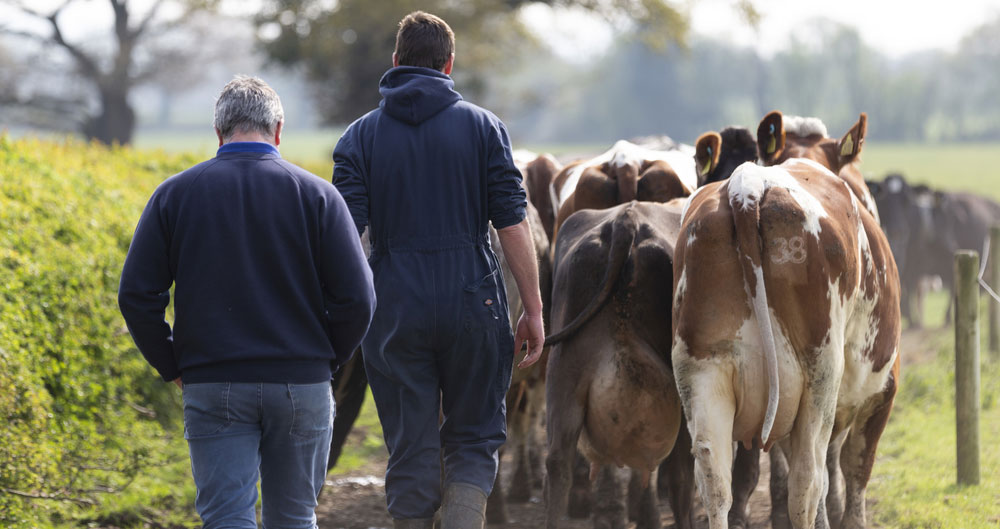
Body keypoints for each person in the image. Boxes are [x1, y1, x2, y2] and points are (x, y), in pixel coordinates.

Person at [118, 76, 376, 529]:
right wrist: (325, 361)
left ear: (218, 133)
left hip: (214, 382)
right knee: (296, 517)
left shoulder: (174, 195)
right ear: (278, 130)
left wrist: (173, 364)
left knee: (226, 518)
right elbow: (359, 298)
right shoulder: (319, 196)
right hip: (302, 382)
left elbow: (137, 296)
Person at [332, 11, 545, 529]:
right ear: (449, 64)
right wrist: (534, 310)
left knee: (410, 443)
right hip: (476, 301)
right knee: (473, 437)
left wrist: (347, 319)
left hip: (393, 308)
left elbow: (346, 241)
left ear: (396, 61)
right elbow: (514, 226)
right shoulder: (484, 128)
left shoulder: (358, 139)